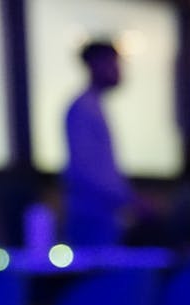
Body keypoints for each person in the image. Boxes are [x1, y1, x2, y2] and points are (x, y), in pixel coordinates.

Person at [62, 40, 150, 247]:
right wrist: (130, 199)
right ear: (95, 64)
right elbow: (86, 170)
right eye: (113, 63)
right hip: (91, 215)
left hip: (102, 214)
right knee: (97, 274)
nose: (118, 70)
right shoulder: (82, 109)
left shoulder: (93, 106)